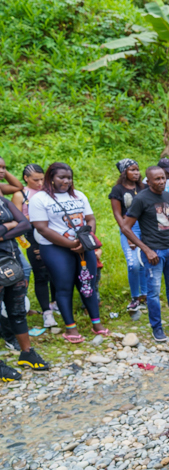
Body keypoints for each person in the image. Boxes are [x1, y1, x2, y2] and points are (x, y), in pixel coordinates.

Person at [29, 162, 108, 343]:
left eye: (69, 177)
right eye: (61, 177)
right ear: (51, 178)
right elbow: (42, 228)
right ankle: (71, 327)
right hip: (55, 248)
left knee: (88, 284)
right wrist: (71, 243)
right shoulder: (40, 199)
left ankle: (96, 323)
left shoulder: (78, 196)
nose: (66, 181)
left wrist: (85, 238)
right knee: (64, 287)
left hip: (82, 246)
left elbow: (90, 218)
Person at [122, 165, 169, 341]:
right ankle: (157, 327)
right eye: (157, 179)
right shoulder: (141, 199)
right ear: (148, 180)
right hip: (154, 252)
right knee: (153, 292)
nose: (162, 182)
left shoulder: (168, 196)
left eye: (163, 178)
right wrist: (145, 249)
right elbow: (125, 227)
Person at [0, 192, 50, 382]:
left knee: (17, 310)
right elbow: (17, 224)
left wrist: (4, 234)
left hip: (12, 264)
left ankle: (27, 353)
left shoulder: (3, 201)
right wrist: (9, 225)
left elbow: (25, 225)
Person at [10, 164, 57, 328]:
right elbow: (16, 220)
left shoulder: (47, 191)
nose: (39, 183)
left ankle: (56, 303)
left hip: (51, 233)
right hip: (32, 236)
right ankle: (46, 312)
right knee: (41, 273)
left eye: (42, 179)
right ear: (26, 178)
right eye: (35, 180)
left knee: (55, 271)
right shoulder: (20, 194)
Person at [109, 158, 148, 314]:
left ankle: (145, 295)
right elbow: (118, 215)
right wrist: (128, 234)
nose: (136, 173)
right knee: (133, 264)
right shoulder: (117, 190)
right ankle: (135, 297)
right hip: (129, 227)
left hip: (145, 228)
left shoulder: (144, 188)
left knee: (145, 261)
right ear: (124, 172)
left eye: (137, 169)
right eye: (132, 170)